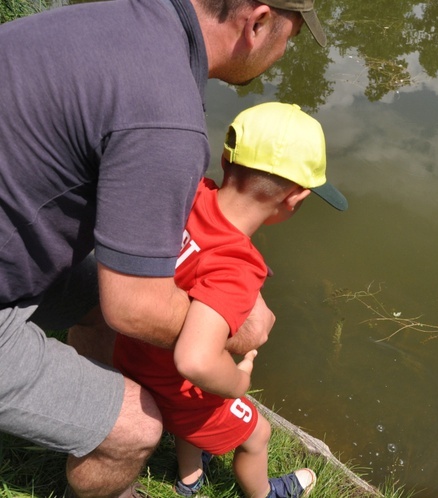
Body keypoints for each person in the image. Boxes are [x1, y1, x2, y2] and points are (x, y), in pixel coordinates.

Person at [0, 1, 326, 497]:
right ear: (258, 22)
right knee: (138, 426)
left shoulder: (122, 15)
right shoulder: (167, 119)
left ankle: (85, 408)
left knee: (98, 303)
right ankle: (109, 447)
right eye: (291, 37)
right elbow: (135, 311)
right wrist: (236, 333)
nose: (283, 54)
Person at [113, 102, 347, 498]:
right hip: (174, 383)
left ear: (225, 159)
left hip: (135, 355)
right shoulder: (237, 267)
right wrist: (237, 382)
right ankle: (264, 495)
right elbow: (195, 360)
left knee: (195, 417)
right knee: (258, 433)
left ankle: (190, 478)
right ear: (296, 198)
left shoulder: (193, 192)